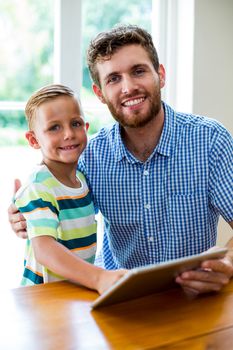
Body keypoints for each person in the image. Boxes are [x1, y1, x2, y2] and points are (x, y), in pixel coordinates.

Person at [9, 25, 233, 296]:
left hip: (195, 296)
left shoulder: (209, 140)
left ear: (160, 75)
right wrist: (23, 214)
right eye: (114, 79)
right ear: (100, 93)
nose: (128, 87)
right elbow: (52, 193)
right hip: (121, 299)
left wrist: (227, 262)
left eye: (138, 71)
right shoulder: (90, 155)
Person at [13, 84, 125, 292]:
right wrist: (99, 278)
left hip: (75, 291)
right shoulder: (39, 186)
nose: (68, 134)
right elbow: (44, 249)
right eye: (54, 127)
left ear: (86, 127)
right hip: (42, 297)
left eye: (75, 123)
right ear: (33, 139)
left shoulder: (82, 180)